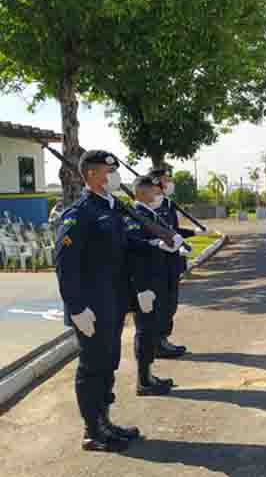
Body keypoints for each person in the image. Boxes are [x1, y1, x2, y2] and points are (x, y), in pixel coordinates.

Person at [56, 151, 182, 451]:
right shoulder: (80, 212)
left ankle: (104, 421)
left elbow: (125, 245)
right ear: (91, 175)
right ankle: (93, 431)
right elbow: (65, 264)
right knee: (93, 366)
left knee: (108, 363)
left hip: (113, 300)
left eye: (115, 171)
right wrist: (76, 307)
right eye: (108, 171)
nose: (115, 177)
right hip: (90, 306)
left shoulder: (111, 208)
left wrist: (157, 243)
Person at [124, 176, 178, 396]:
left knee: (150, 329)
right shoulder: (133, 216)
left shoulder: (149, 214)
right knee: (145, 331)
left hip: (155, 280)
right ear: (142, 193)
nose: (158, 196)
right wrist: (140, 288)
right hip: (144, 283)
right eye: (155, 192)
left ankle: (147, 376)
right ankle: (144, 381)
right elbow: (133, 252)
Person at [148, 167, 195, 358]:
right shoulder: (147, 206)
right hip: (157, 263)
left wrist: (192, 234)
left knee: (170, 304)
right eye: (166, 180)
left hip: (172, 262)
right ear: (156, 183)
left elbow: (173, 230)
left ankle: (163, 339)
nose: (169, 183)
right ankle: (157, 343)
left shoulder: (168, 203)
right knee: (160, 305)